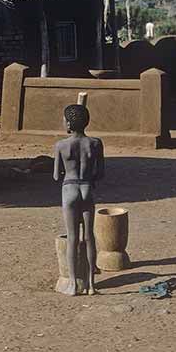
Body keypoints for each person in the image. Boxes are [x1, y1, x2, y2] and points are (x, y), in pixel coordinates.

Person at [53, 103, 105, 296]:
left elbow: (57, 176)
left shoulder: (61, 145)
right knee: (89, 236)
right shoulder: (95, 143)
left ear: (68, 123)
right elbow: (100, 173)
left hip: (69, 189)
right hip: (87, 188)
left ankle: (73, 284)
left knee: (73, 238)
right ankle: (92, 284)